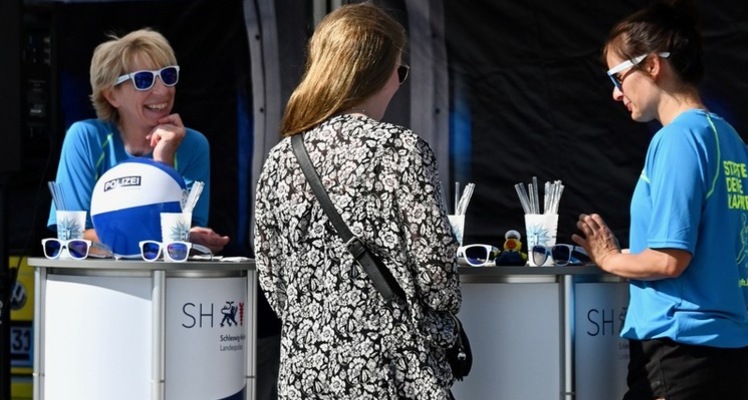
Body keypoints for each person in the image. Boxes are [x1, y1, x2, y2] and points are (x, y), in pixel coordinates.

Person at [253, 3, 462, 399]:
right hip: (391, 370)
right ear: (378, 73)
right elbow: (438, 278)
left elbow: (273, 278)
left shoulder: (281, 157)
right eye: (400, 71)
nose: (399, 82)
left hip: (306, 372)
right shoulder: (401, 149)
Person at [572, 1, 748, 399]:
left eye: (618, 76)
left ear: (652, 66)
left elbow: (668, 259)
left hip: (680, 353)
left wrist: (609, 258)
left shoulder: (677, 138)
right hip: (732, 354)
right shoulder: (731, 141)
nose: (614, 92)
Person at [47, 28, 229, 253]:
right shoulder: (85, 138)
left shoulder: (193, 144)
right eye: (144, 80)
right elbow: (72, 238)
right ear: (112, 95)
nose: (163, 90)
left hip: (163, 282)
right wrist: (164, 235)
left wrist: (163, 161)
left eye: (168, 76)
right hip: (93, 282)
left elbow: (176, 246)